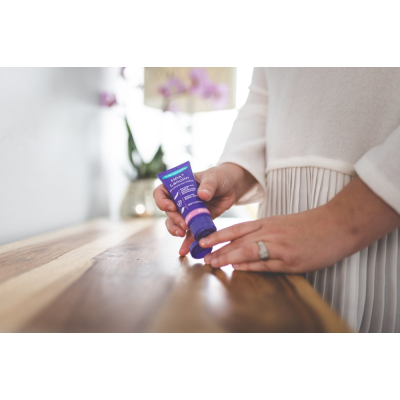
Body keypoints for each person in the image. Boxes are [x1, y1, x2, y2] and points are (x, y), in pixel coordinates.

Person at [154, 67, 400, 333]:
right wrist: (233, 173)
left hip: (375, 215)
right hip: (276, 226)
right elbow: (261, 105)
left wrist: (338, 222)